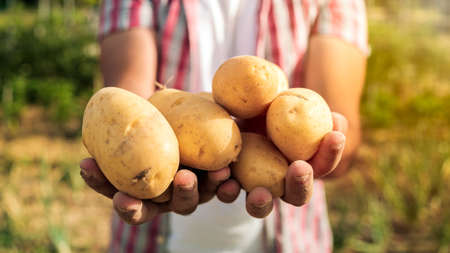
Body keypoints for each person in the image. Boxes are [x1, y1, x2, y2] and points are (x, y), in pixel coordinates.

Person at [79, 0, 368, 252]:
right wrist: (137, 163)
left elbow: (342, 124)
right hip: (151, 239)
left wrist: (324, 149)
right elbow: (129, 100)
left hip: (293, 239)